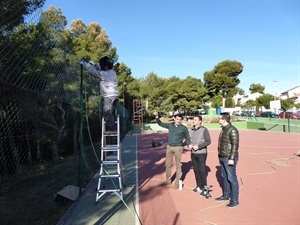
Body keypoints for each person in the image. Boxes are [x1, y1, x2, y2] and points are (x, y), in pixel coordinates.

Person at [153, 111, 191, 189]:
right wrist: (157, 117)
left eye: (180, 119)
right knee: (167, 165)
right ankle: (168, 180)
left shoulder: (184, 128)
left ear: (181, 120)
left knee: (178, 166)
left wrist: (182, 145)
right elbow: (160, 123)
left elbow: (187, 138)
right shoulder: (170, 125)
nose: (178, 121)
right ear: (174, 119)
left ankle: (177, 183)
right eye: (177, 119)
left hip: (178, 148)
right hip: (169, 147)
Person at [81, 56, 119, 131]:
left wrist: (87, 66)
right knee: (112, 113)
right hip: (115, 96)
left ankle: (112, 129)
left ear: (106, 66)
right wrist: (94, 64)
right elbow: (101, 68)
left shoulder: (104, 74)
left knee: (106, 113)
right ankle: (114, 126)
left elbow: (94, 72)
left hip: (109, 96)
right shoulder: (112, 72)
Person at [215, 112, 240, 208]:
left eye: (220, 118)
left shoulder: (232, 130)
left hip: (228, 158)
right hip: (222, 156)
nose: (218, 120)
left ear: (224, 120)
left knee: (231, 178)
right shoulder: (223, 129)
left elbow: (235, 145)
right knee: (224, 177)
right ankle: (226, 195)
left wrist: (231, 158)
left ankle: (235, 200)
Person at [188, 115, 211, 197]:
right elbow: (188, 139)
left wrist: (199, 146)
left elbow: (208, 141)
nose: (193, 121)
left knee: (202, 170)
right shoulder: (191, 130)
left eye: (195, 120)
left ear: (200, 121)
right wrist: (189, 144)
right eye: (193, 119)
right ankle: (199, 186)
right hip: (193, 153)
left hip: (201, 153)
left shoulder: (204, 130)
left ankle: (204, 188)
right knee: (196, 170)